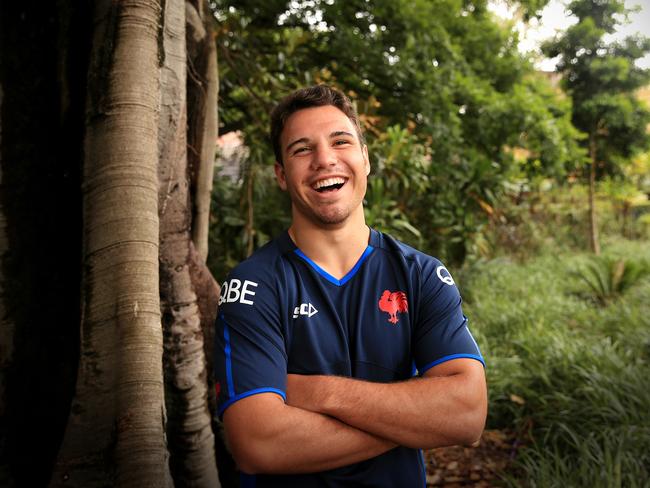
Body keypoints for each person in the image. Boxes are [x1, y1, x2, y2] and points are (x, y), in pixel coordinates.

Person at [213, 85, 487, 487]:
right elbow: (258, 444)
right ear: (281, 176)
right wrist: (416, 419)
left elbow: (467, 414)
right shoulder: (252, 285)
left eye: (341, 141)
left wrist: (319, 393)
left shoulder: (420, 275)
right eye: (301, 149)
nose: (325, 160)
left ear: (365, 159)